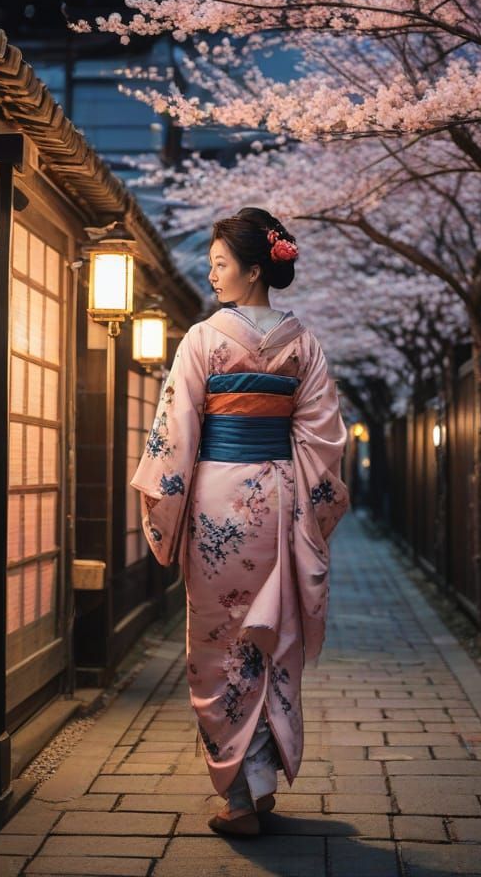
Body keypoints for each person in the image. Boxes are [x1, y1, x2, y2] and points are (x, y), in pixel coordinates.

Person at [129, 207, 351, 837]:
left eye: (222, 264)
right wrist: (304, 500)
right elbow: (323, 440)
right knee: (271, 639)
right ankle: (260, 780)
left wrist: (165, 505)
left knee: (219, 641)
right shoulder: (303, 343)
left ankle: (239, 798)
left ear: (255, 269)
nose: (212, 274)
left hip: (216, 502)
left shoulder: (202, 340)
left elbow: (175, 437)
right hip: (279, 502)